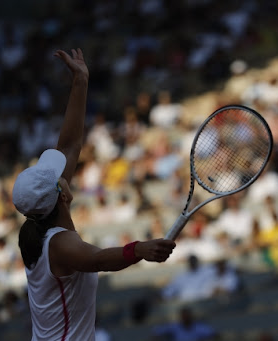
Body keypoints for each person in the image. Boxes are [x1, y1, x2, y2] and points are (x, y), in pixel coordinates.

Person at [12, 48, 176, 341]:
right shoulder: (59, 243)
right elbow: (99, 260)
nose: (64, 173)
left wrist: (80, 82)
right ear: (61, 195)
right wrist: (138, 249)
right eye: (58, 178)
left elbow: (71, 144)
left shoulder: (41, 228)